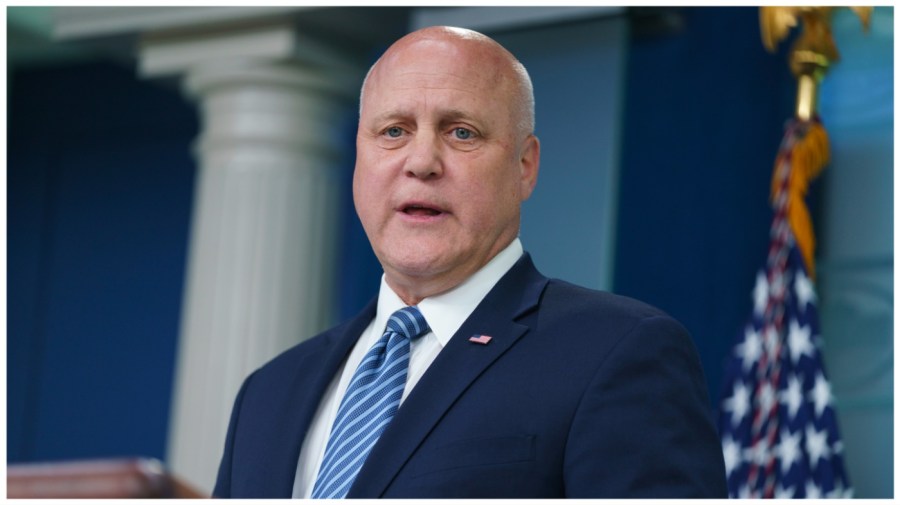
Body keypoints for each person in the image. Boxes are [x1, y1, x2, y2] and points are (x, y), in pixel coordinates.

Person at [213, 25, 727, 498]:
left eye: (461, 132)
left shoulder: (618, 351)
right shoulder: (269, 391)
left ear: (525, 167)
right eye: (393, 131)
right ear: (359, 155)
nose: (421, 162)